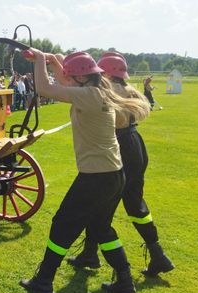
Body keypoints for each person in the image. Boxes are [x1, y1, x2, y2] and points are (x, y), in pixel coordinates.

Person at [19, 49, 149, 293]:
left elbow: (45, 88)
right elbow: (67, 81)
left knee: (62, 224)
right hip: (113, 174)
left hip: (96, 177)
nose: (68, 79)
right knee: (101, 228)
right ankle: (125, 282)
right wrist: (55, 61)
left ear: (81, 78)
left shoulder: (88, 95)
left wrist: (37, 60)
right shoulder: (99, 89)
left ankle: (44, 280)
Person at [66, 52, 174, 277]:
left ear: (104, 72)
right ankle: (157, 254)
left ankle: (96, 256)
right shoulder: (130, 89)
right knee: (134, 204)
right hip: (135, 143)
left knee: (100, 204)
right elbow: (146, 108)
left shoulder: (106, 90)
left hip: (120, 145)